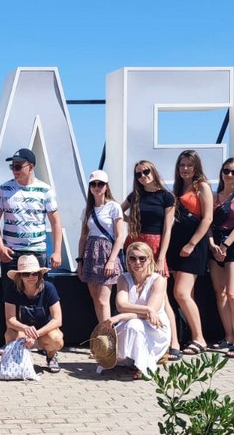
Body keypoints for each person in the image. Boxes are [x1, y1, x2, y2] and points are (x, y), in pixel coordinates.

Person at [123, 160, 181, 359]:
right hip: (135, 245)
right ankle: (138, 343)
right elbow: (118, 210)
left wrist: (161, 256)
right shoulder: (135, 196)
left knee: (162, 297)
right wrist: (131, 222)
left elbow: (167, 229)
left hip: (155, 248)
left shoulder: (166, 196)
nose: (143, 176)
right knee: (136, 293)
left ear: (153, 171)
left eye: (146, 171)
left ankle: (174, 342)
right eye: (138, 174)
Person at [0, 148, 62, 301]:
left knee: (39, 297)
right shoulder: (4, 189)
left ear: (31, 166)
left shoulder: (45, 190)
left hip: (37, 252)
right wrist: (0, 247)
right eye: (12, 166)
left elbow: (55, 222)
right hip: (11, 253)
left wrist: (57, 252)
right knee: (10, 298)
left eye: (18, 166)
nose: (14, 170)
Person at [168, 150, 213, 356]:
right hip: (175, 245)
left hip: (193, 246)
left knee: (181, 292)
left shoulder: (202, 186)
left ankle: (200, 338)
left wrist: (192, 244)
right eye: (182, 165)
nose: (185, 169)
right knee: (187, 295)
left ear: (196, 167)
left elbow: (207, 219)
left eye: (189, 165)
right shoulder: (177, 188)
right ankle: (188, 336)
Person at [104, 242, 170, 379]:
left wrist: (120, 317)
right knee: (132, 325)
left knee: (134, 325)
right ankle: (132, 359)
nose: (137, 262)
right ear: (128, 260)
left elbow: (150, 313)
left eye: (142, 258)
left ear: (150, 259)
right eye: (132, 258)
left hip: (155, 327)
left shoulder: (158, 280)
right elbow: (121, 305)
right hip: (130, 323)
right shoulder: (123, 278)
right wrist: (147, 309)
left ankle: (143, 366)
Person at [208, 158, 234, 358]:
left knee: (233, 293)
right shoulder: (214, 195)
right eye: (226, 170)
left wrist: (225, 245)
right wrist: (212, 244)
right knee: (221, 293)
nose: (230, 175)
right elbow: (208, 222)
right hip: (215, 246)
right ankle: (228, 335)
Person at [77, 169, 126, 325]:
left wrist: (111, 260)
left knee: (103, 299)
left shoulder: (113, 207)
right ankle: (103, 333)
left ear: (106, 186)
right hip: (91, 252)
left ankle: (108, 334)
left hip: (107, 253)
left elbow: (120, 236)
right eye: (93, 184)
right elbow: (83, 237)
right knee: (95, 298)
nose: (97, 187)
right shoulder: (87, 210)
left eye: (100, 184)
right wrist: (80, 261)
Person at [3, 255, 65, 373]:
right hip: (23, 331)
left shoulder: (49, 288)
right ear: (20, 276)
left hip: (44, 332)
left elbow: (57, 319)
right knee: (10, 335)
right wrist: (25, 329)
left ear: (39, 274)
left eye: (34, 273)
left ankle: (51, 356)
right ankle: (19, 359)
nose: (31, 277)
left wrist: (35, 334)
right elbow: (10, 319)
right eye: (26, 274)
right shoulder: (12, 289)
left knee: (57, 339)